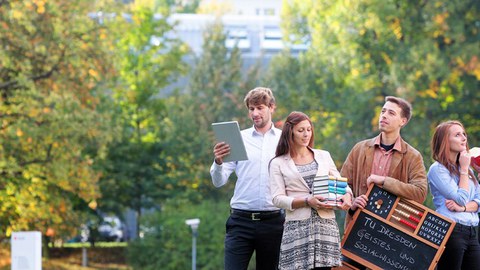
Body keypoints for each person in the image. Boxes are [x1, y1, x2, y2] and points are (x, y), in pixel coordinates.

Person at [210, 87, 285, 270]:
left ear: (271, 107)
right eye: (251, 109)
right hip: (240, 222)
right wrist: (218, 161)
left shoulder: (284, 140)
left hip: (274, 223)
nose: (255, 113)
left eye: (260, 107)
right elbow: (218, 181)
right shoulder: (237, 139)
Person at [269, 111, 352, 270]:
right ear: (290, 132)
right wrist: (307, 201)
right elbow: (277, 199)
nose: (306, 134)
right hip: (297, 229)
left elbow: (341, 184)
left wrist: (347, 195)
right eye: (301, 130)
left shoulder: (323, 156)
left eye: (309, 129)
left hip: (325, 226)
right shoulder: (278, 163)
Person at [341, 96, 428, 227]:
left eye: (391, 113)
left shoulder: (412, 156)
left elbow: (420, 193)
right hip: (358, 226)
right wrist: (352, 202)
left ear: (403, 121)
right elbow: (342, 185)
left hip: (392, 231)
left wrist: (383, 181)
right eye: (383, 111)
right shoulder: (359, 148)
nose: (384, 115)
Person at [428, 120, 480, 269]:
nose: (464, 138)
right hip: (452, 232)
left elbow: (478, 202)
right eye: (458, 135)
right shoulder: (437, 170)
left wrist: (462, 209)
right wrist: (464, 168)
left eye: (464, 134)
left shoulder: (468, 171)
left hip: (471, 232)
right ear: (445, 140)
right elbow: (461, 198)